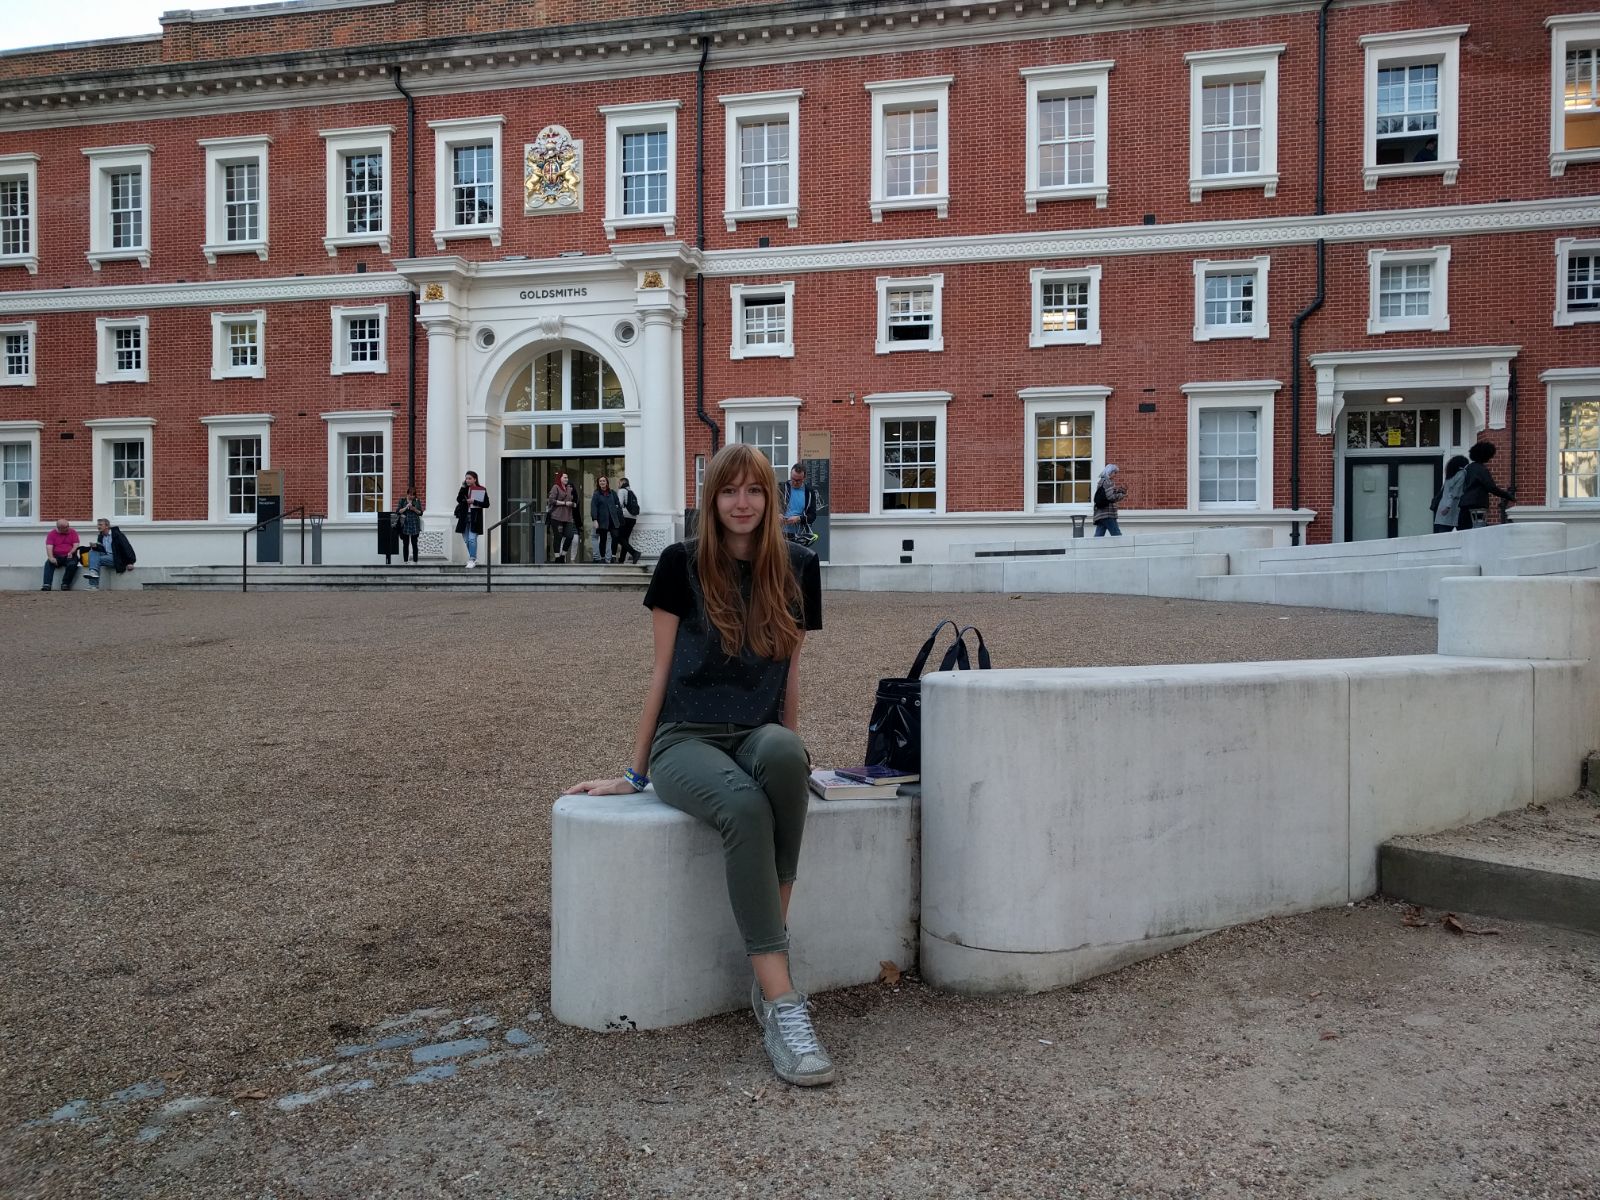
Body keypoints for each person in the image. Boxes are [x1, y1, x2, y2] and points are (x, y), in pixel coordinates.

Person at [563, 443, 831, 1088]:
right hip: (683, 740)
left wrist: (788, 753)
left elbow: (791, 675)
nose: (742, 503)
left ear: (772, 499)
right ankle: (781, 1000)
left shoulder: (798, 566)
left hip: (756, 734)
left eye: (755, 491)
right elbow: (660, 672)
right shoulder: (681, 563)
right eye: (728, 491)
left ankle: (768, 981)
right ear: (711, 500)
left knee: (787, 762)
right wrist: (634, 773)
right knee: (742, 806)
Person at [1457, 441, 1514, 530]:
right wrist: (1507, 495)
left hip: (1464, 502)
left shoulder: (1468, 467)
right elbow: (1491, 487)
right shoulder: (1482, 469)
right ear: (1486, 455)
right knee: (1478, 529)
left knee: (1463, 528)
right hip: (1477, 503)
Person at [83, 518, 137, 589]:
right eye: (98, 525)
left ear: (107, 526)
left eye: (100, 525)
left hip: (116, 558)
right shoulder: (101, 536)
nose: (98, 527)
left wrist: (130, 562)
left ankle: (93, 585)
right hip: (106, 556)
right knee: (92, 552)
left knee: (95, 561)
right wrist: (96, 547)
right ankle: (93, 573)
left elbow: (127, 547)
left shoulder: (117, 535)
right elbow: (102, 549)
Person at [778, 463, 819, 546]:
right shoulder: (781, 488)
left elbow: (812, 516)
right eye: (793, 479)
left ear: (804, 478)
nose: (795, 482)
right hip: (780, 532)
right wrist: (778, 514)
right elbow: (771, 507)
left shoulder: (809, 492)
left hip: (800, 535)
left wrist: (799, 518)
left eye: (798, 480)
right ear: (790, 475)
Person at [455, 470, 489, 567]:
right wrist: (462, 487)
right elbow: (458, 499)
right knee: (466, 539)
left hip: (475, 517)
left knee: (472, 539)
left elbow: (486, 504)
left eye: (470, 478)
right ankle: (473, 557)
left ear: (475, 479)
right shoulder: (464, 489)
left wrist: (474, 501)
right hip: (464, 517)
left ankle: (472, 559)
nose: (468, 480)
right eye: (466, 478)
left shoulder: (481, 489)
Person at [1431, 455, 1469, 534]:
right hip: (1452, 507)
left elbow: (1446, 491)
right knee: (1464, 534)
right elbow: (1455, 492)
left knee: (1442, 535)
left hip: (1442, 506)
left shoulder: (1450, 475)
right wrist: (1448, 507)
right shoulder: (1462, 474)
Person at [590, 475, 624, 564]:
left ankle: (613, 557)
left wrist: (617, 511)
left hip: (613, 520)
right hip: (602, 521)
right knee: (603, 539)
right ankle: (602, 558)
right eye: (600, 481)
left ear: (607, 482)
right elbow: (594, 507)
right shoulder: (596, 494)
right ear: (598, 483)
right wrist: (595, 519)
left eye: (603, 481)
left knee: (615, 537)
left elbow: (618, 505)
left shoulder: (612, 493)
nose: (602, 482)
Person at [547, 471, 578, 562]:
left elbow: (573, 499)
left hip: (567, 517)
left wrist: (573, 504)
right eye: (564, 477)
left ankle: (563, 555)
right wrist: (564, 503)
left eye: (567, 477)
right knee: (558, 537)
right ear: (560, 478)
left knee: (570, 536)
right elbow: (551, 500)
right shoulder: (555, 487)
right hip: (556, 516)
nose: (566, 479)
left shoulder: (569, 488)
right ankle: (557, 557)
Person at [42, 518, 80, 591]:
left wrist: (71, 552)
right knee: (48, 563)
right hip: (57, 555)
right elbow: (49, 546)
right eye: (66, 527)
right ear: (59, 528)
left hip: (70, 555)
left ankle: (65, 584)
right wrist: (51, 557)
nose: (68, 528)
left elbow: (76, 545)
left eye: (68, 526)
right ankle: (47, 584)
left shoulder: (73, 532)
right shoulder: (52, 534)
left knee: (72, 564)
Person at [1092, 464, 1127, 536]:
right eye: (1115, 473)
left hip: (1100, 513)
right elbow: (1111, 497)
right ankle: (1122, 547)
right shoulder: (1108, 482)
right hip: (1107, 514)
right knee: (1117, 535)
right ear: (1109, 472)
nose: (1115, 475)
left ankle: (1093, 547)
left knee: (1098, 536)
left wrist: (1118, 490)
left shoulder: (1101, 482)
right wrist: (1123, 495)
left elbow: (1107, 494)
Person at [614, 476, 643, 565]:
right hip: (633, 518)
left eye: (619, 483)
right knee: (625, 539)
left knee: (619, 537)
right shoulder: (631, 492)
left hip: (625, 517)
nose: (618, 484)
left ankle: (634, 553)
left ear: (622, 483)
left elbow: (620, 504)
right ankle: (621, 560)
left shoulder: (622, 491)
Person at [395, 489, 423, 563]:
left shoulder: (417, 501)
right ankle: (405, 561)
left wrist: (413, 509)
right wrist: (406, 507)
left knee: (414, 543)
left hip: (414, 524)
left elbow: (420, 513)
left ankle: (415, 561)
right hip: (405, 524)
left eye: (413, 495)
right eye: (410, 495)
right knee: (405, 544)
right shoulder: (402, 501)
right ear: (407, 494)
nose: (412, 496)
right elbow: (398, 511)